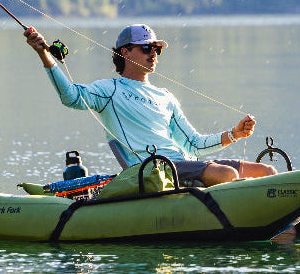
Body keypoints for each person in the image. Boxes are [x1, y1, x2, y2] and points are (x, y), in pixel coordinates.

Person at [25, 23, 276, 187]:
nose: (153, 53)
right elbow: (70, 96)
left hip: (185, 163)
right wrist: (43, 53)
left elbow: (194, 144)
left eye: (156, 49)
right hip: (154, 170)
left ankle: (285, 227)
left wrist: (234, 134)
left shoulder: (166, 96)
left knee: (267, 172)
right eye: (147, 47)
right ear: (125, 52)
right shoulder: (109, 90)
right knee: (227, 175)